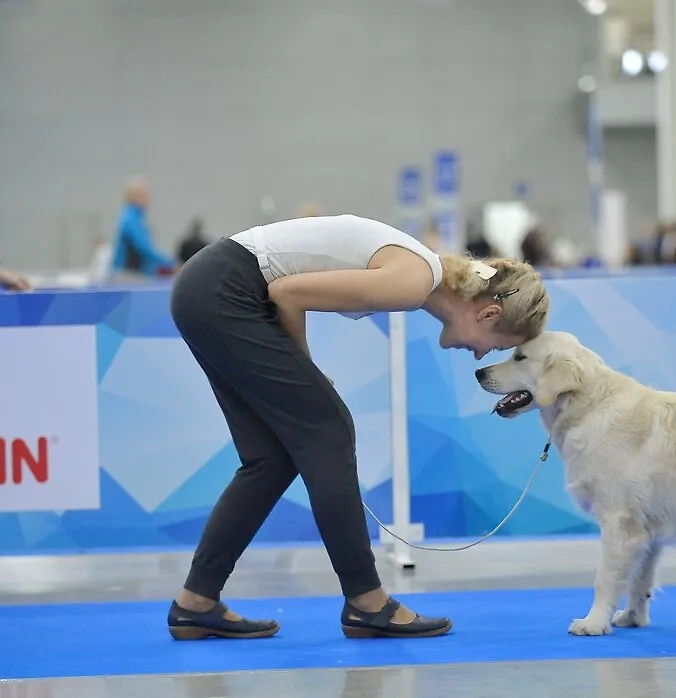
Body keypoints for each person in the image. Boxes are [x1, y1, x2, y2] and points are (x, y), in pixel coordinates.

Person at [167, 214, 549, 641]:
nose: (481, 356)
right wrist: (305, 364)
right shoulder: (413, 281)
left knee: (269, 459)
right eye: (496, 345)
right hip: (226, 290)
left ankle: (195, 603)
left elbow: (284, 289)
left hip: (207, 288)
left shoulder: (419, 274)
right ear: (489, 312)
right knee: (329, 430)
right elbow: (286, 292)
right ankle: (367, 602)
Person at [112, 178, 177, 277]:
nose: (148, 199)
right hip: (129, 276)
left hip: (133, 274)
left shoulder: (135, 218)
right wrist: (172, 264)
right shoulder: (131, 219)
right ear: (133, 197)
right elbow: (145, 249)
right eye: (144, 195)